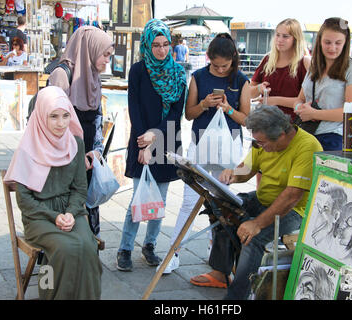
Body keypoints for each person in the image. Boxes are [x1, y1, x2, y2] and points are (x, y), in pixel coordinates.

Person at [190, 106, 323, 299]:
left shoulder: (307, 146)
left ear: (282, 135)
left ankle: (237, 297)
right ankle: (221, 271)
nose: (259, 146)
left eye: (263, 142)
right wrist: (233, 175)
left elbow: (292, 196)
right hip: (263, 198)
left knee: (254, 238)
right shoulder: (262, 142)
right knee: (219, 207)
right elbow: (248, 168)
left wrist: (257, 224)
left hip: (295, 210)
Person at [159, 33, 251, 275]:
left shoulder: (241, 81)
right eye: (215, 65)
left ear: (233, 60)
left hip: (228, 146)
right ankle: (173, 252)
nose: (220, 70)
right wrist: (204, 105)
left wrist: (229, 109)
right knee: (189, 200)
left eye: (225, 66)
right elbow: (188, 114)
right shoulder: (199, 77)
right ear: (209, 58)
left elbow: (247, 120)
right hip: (200, 144)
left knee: (221, 204)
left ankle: (218, 256)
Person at [3, 86, 102, 300]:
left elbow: (79, 189)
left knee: (88, 246)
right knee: (65, 248)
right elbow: (25, 200)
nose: (61, 123)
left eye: (66, 116)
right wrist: (53, 216)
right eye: (54, 116)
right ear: (41, 116)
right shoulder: (28, 149)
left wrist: (70, 212)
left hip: (71, 212)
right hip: (38, 217)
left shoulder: (74, 143)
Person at [116, 19, 187, 271]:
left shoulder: (178, 73)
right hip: (140, 138)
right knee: (138, 199)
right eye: (156, 45)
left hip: (166, 139)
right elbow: (134, 108)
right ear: (147, 44)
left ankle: (150, 245)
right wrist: (143, 143)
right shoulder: (138, 70)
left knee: (160, 200)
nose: (161, 50)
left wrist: (153, 137)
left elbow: (176, 113)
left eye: (166, 44)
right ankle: (125, 248)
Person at [48, 26, 114, 237]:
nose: (107, 61)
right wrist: (75, 155)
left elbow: (97, 120)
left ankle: (84, 260)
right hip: (64, 162)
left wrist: (96, 151)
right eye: (105, 54)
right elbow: (53, 126)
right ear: (90, 49)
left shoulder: (93, 76)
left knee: (84, 214)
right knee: (65, 216)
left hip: (86, 161)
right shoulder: (62, 74)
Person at [293, 17, 352, 151]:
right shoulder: (314, 65)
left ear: (345, 43)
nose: (332, 48)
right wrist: (299, 107)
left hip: (332, 138)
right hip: (305, 134)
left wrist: (313, 114)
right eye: (327, 42)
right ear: (319, 41)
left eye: (338, 43)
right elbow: (299, 99)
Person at [251, 18, 311, 122]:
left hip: (293, 125)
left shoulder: (304, 62)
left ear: (296, 39)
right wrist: (259, 88)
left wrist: (274, 100)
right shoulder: (267, 60)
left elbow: (306, 100)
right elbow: (249, 93)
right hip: (266, 124)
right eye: (277, 35)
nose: (280, 39)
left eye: (285, 36)